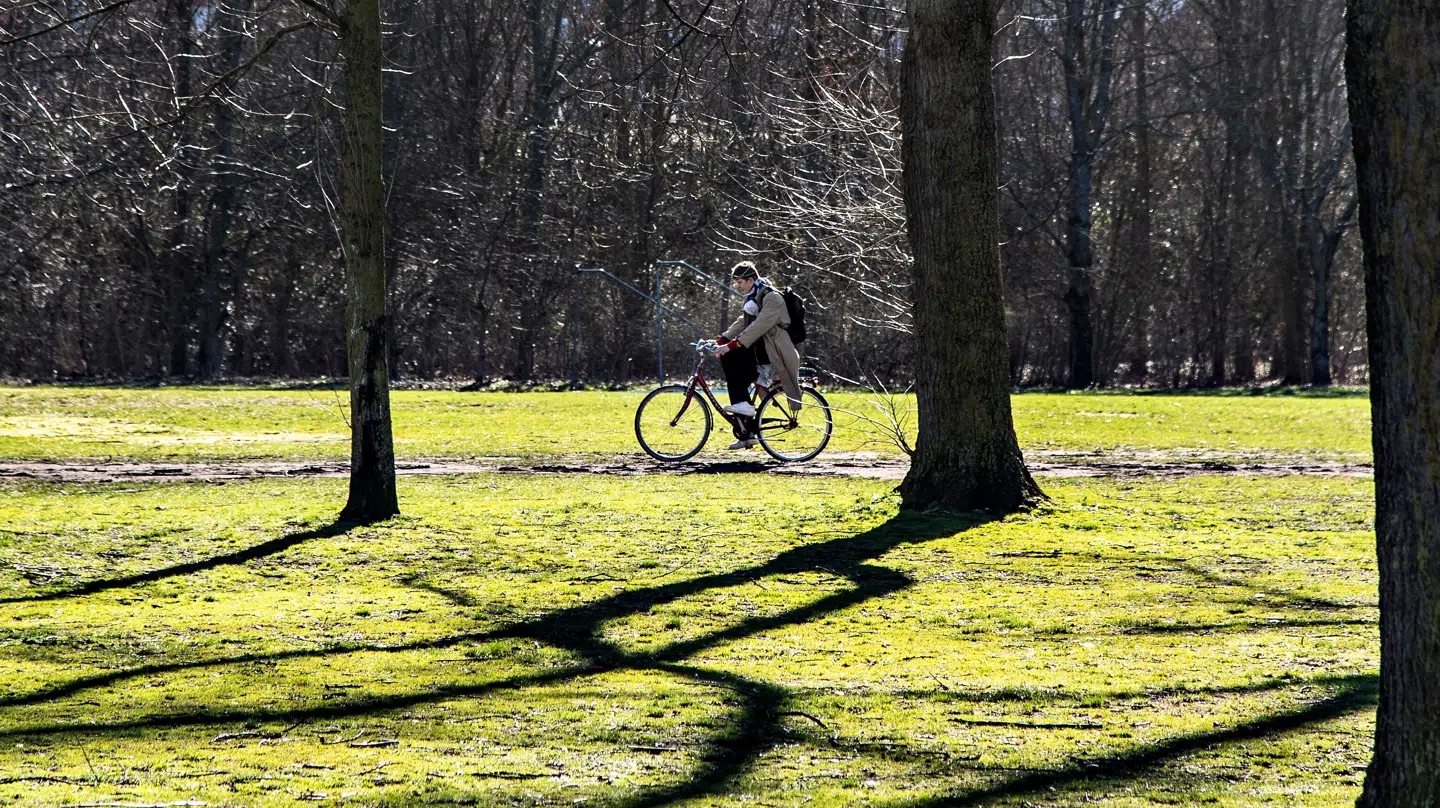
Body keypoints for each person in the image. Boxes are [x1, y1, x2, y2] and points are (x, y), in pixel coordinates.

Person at [713, 260, 802, 449]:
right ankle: (747, 432)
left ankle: (744, 409)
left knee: (731, 358)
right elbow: (743, 321)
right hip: (760, 348)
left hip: (773, 349)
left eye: (740, 282)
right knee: (735, 378)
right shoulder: (754, 298)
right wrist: (723, 338)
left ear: (751, 279)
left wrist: (731, 345)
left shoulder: (772, 298)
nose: (738, 286)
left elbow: (758, 326)